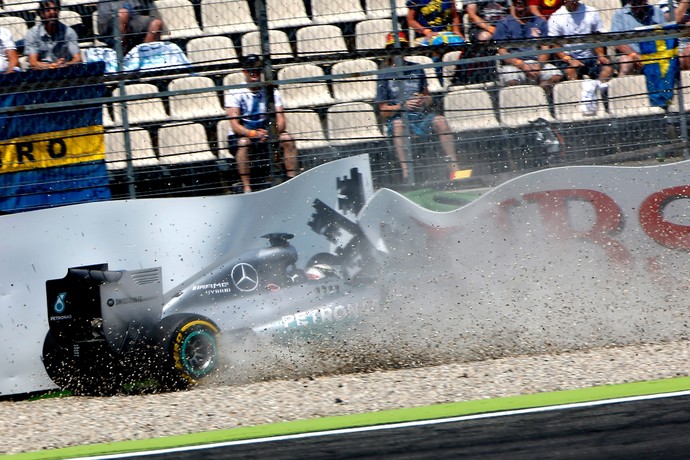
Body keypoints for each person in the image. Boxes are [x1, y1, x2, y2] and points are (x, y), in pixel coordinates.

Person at [376, 33, 461, 182]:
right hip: (398, 117)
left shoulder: (417, 69)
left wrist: (424, 99)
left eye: (401, 47)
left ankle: (454, 169)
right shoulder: (384, 75)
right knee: (397, 126)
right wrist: (403, 106)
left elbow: (428, 97)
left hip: (420, 117)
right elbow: (383, 110)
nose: (398, 51)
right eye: (394, 48)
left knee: (441, 121)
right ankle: (407, 173)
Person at [224, 54, 298, 193]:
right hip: (244, 134)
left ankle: (291, 181)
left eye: (257, 70)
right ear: (244, 72)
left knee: (287, 139)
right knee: (243, 143)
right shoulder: (234, 92)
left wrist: (271, 133)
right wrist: (253, 134)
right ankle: (247, 188)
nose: (254, 73)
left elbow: (281, 120)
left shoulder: (272, 92)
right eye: (250, 70)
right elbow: (235, 126)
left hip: (267, 132)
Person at [548, 0, 613, 114]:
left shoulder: (591, 12)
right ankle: (582, 107)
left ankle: (602, 104)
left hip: (590, 56)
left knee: (607, 68)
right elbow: (555, 44)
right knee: (570, 71)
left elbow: (597, 37)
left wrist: (601, 55)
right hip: (569, 57)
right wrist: (570, 60)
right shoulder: (556, 17)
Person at [494, 0, 563, 93]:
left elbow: (545, 49)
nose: (520, 3)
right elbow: (502, 52)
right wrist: (522, 65)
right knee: (512, 79)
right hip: (514, 64)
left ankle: (540, 98)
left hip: (537, 62)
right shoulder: (504, 24)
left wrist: (539, 65)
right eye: (518, 2)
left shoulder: (540, 22)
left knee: (556, 75)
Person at [610, 0, 666, 76]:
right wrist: (634, 55)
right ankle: (621, 85)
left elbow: (664, 38)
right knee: (626, 62)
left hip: (654, 55)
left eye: (639, 2)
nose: (635, 5)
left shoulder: (657, 13)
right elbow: (617, 42)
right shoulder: (620, 15)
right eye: (633, 2)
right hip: (630, 56)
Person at [25, 0, 82, 70]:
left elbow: (78, 59)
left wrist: (65, 64)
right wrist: (52, 66)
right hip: (41, 72)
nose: (52, 12)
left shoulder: (69, 32)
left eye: (55, 9)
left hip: (64, 70)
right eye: (48, 10)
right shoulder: (32, 33)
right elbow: (33, 63)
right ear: (42, 13)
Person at [96, 0, 164, 54]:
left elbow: (153, 15)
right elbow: (103, 26)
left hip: (135, 26)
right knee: (123, 14)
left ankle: (145, 56)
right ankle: (121, 56)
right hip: (114, 29)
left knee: (156, 23)